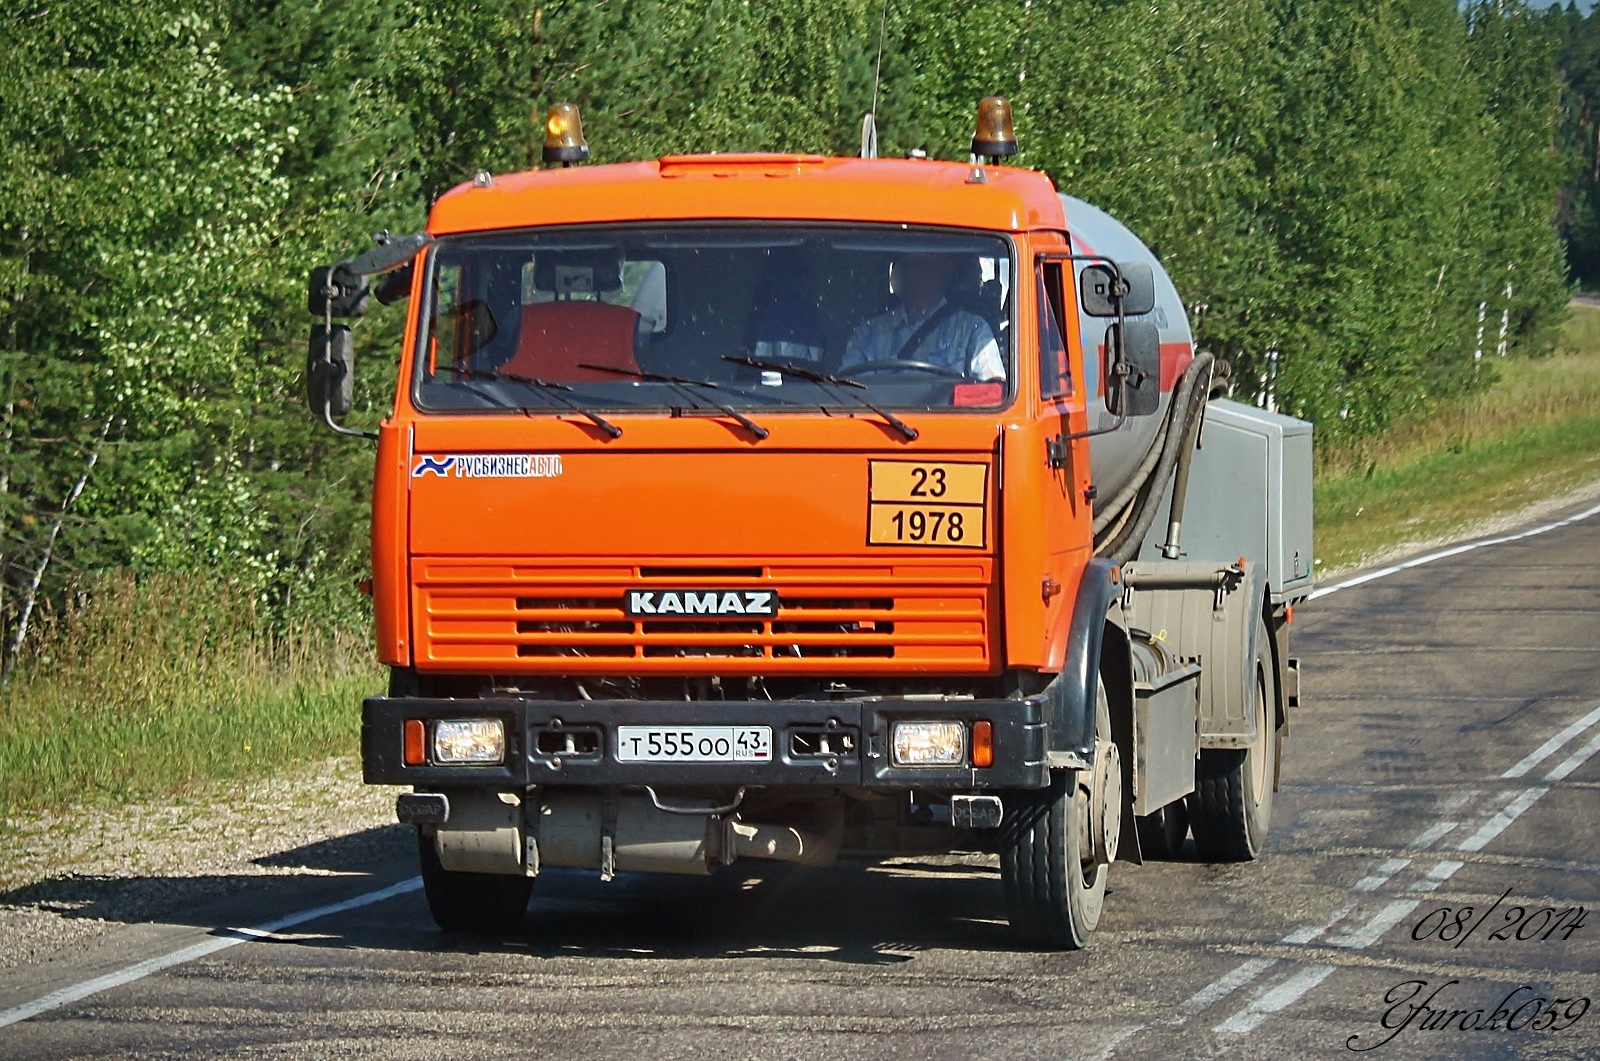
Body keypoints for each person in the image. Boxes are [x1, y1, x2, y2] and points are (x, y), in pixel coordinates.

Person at [841, 253, 1004, 380]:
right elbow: (847, 392)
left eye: (930, 266)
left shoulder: (972, 329)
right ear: (901, 271)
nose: (920, 274)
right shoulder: (870, 333)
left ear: (947, 271)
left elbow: (993, 388)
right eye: (914, 265)